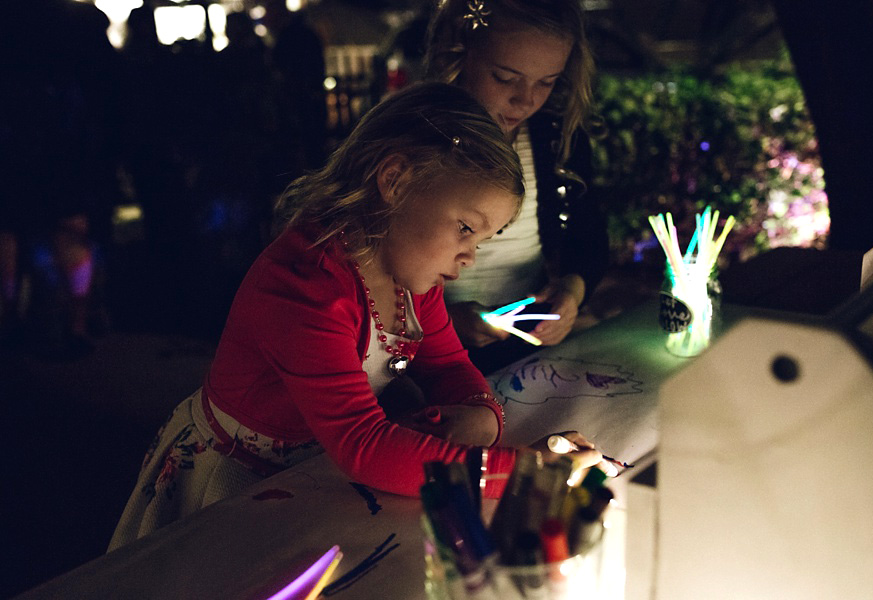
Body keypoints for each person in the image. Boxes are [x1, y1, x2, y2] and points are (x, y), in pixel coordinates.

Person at [108, 83, 608, 551]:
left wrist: (482, 415)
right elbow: (364, 446)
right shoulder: (303, 288)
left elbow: (450, 367)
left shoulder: (413, 276)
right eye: (463, 228)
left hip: (315, 468)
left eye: (481, 239)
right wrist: (519, 470)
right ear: (394, 180)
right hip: (235, 478)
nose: (469, 257)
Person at [425, 0, 609, 374]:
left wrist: (571, 295)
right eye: (505, 78)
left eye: (547, 82)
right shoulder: (416, 138)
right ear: (460, 53)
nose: (525, 100)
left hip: (521, 351)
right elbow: (371, 264)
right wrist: (438, 320)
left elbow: (589, 241)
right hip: (423, 357)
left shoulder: (560, 140)